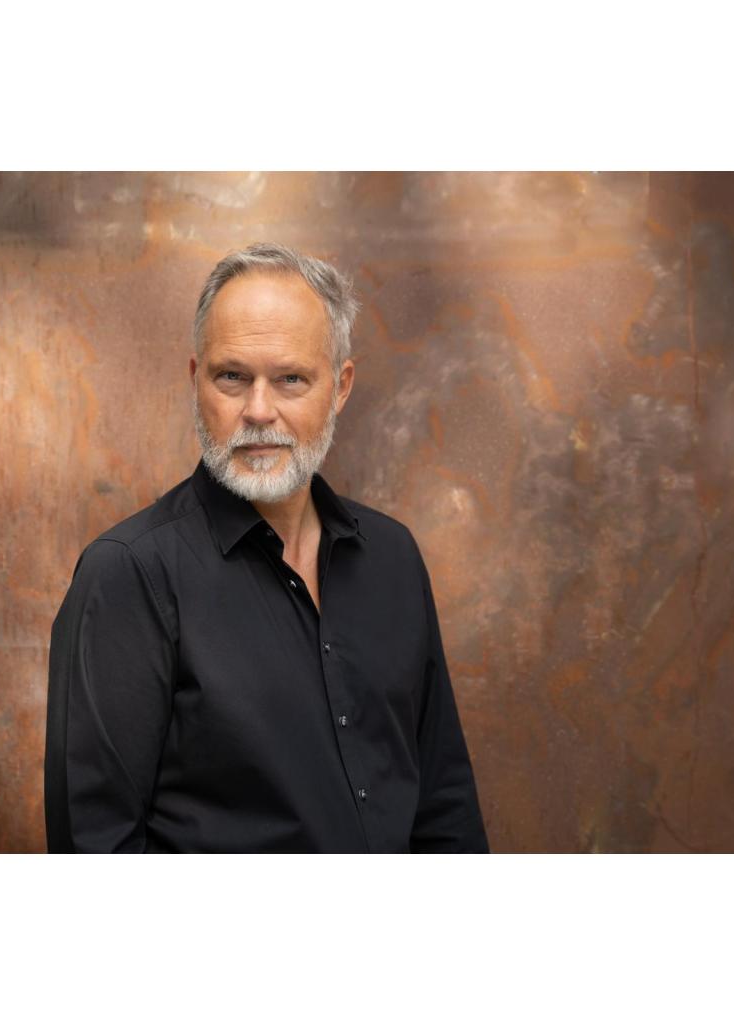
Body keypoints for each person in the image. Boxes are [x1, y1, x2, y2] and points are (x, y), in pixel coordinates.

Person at [44, 242, 488, 853]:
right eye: (232, 377)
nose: (258, 410)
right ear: (196, 381)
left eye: (290, 379)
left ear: (340, 387)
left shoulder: (393, 558)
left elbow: (444, 807)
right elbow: (96, 850)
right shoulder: (128, 575)